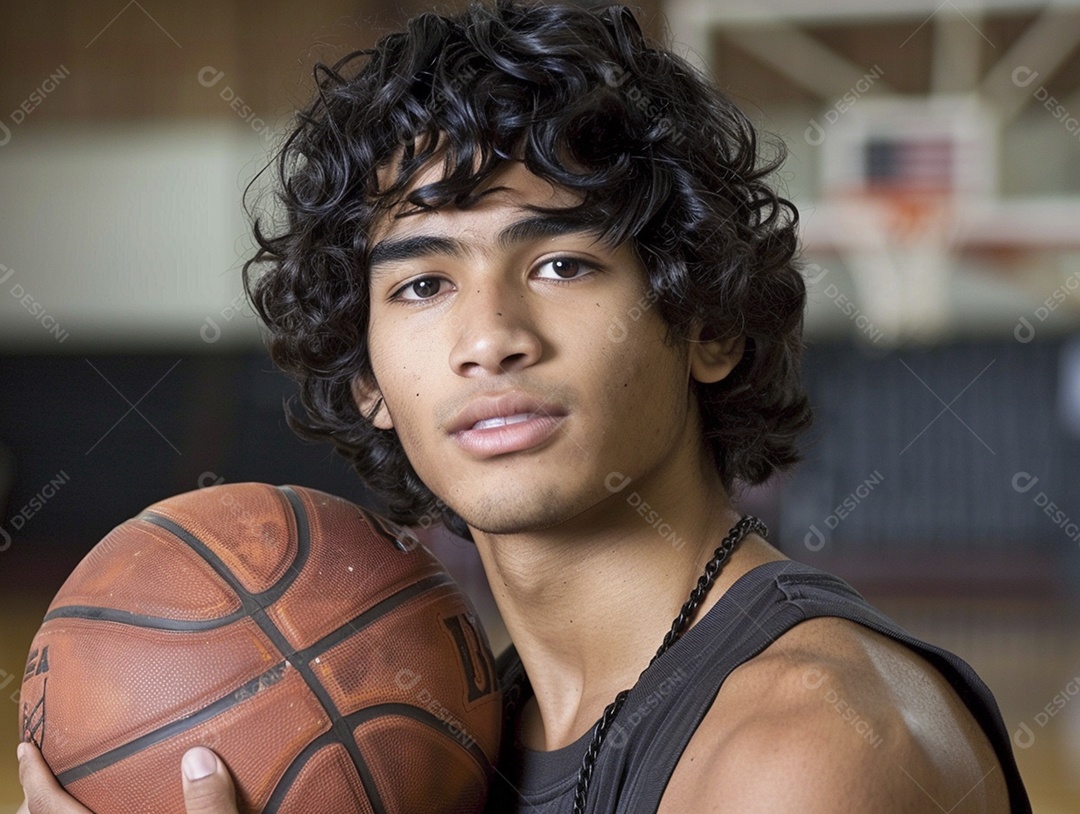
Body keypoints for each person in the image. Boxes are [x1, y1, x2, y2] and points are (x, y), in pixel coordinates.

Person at [18, 0, 1031, 811]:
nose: (490, 334)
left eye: (558, 262)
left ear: (707, 324)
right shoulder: (462, 737)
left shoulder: (812, 746)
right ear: (368, 380)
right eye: (422, 284)